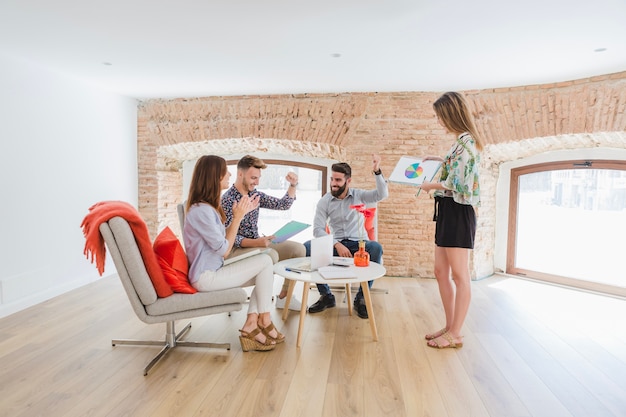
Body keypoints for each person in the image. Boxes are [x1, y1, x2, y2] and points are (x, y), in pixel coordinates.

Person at [183, 155, 284, 352]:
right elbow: (224, 249)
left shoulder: (207, 208)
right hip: (206, 277)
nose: (229, 174)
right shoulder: (201, 211)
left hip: (215, 268)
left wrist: (241, 214)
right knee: (265, 262)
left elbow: (221, 245)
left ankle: (254, 321)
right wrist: (238, 218)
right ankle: (263, 319)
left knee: (266, 260)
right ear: (214, 176)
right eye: (225, 171)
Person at [418, 91, 483, 349]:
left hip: (458, 211)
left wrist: (430, 184)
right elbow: (455, 169)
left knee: (459, 274)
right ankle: (449, 325)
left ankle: (455, 333)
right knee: (440, 271)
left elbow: (461, 186)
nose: (438, 122)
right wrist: (439, 160)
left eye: (440, 117)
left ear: (451, 114)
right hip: (447, 210)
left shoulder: (468, 144)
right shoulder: (460, 142)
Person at [306, 154, 389, 319]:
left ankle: (361, 298)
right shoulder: (325, 201)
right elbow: (317, 229)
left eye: (338, 180)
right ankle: (326, 296)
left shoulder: (359, 195)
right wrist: (336, 244)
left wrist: (377, 172)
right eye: (332, 179)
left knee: (376, 248)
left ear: (348, 181)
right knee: (309, 246)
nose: (333, 184)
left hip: (359, 244)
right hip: (336, 245)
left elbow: (382, 195)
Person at [221, 155, 306, 311]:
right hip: (238, 249)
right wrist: (256, 242)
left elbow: (283, 205)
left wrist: (293, 185)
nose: (257, 182)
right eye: (253, 177)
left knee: (299, 250)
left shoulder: (255, 195)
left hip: (257, 243)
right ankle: (258, 310)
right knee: (270, 255)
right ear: (240, 174)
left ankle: (284, 297)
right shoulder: (227, 200)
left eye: (258, 178)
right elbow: (227, 237)